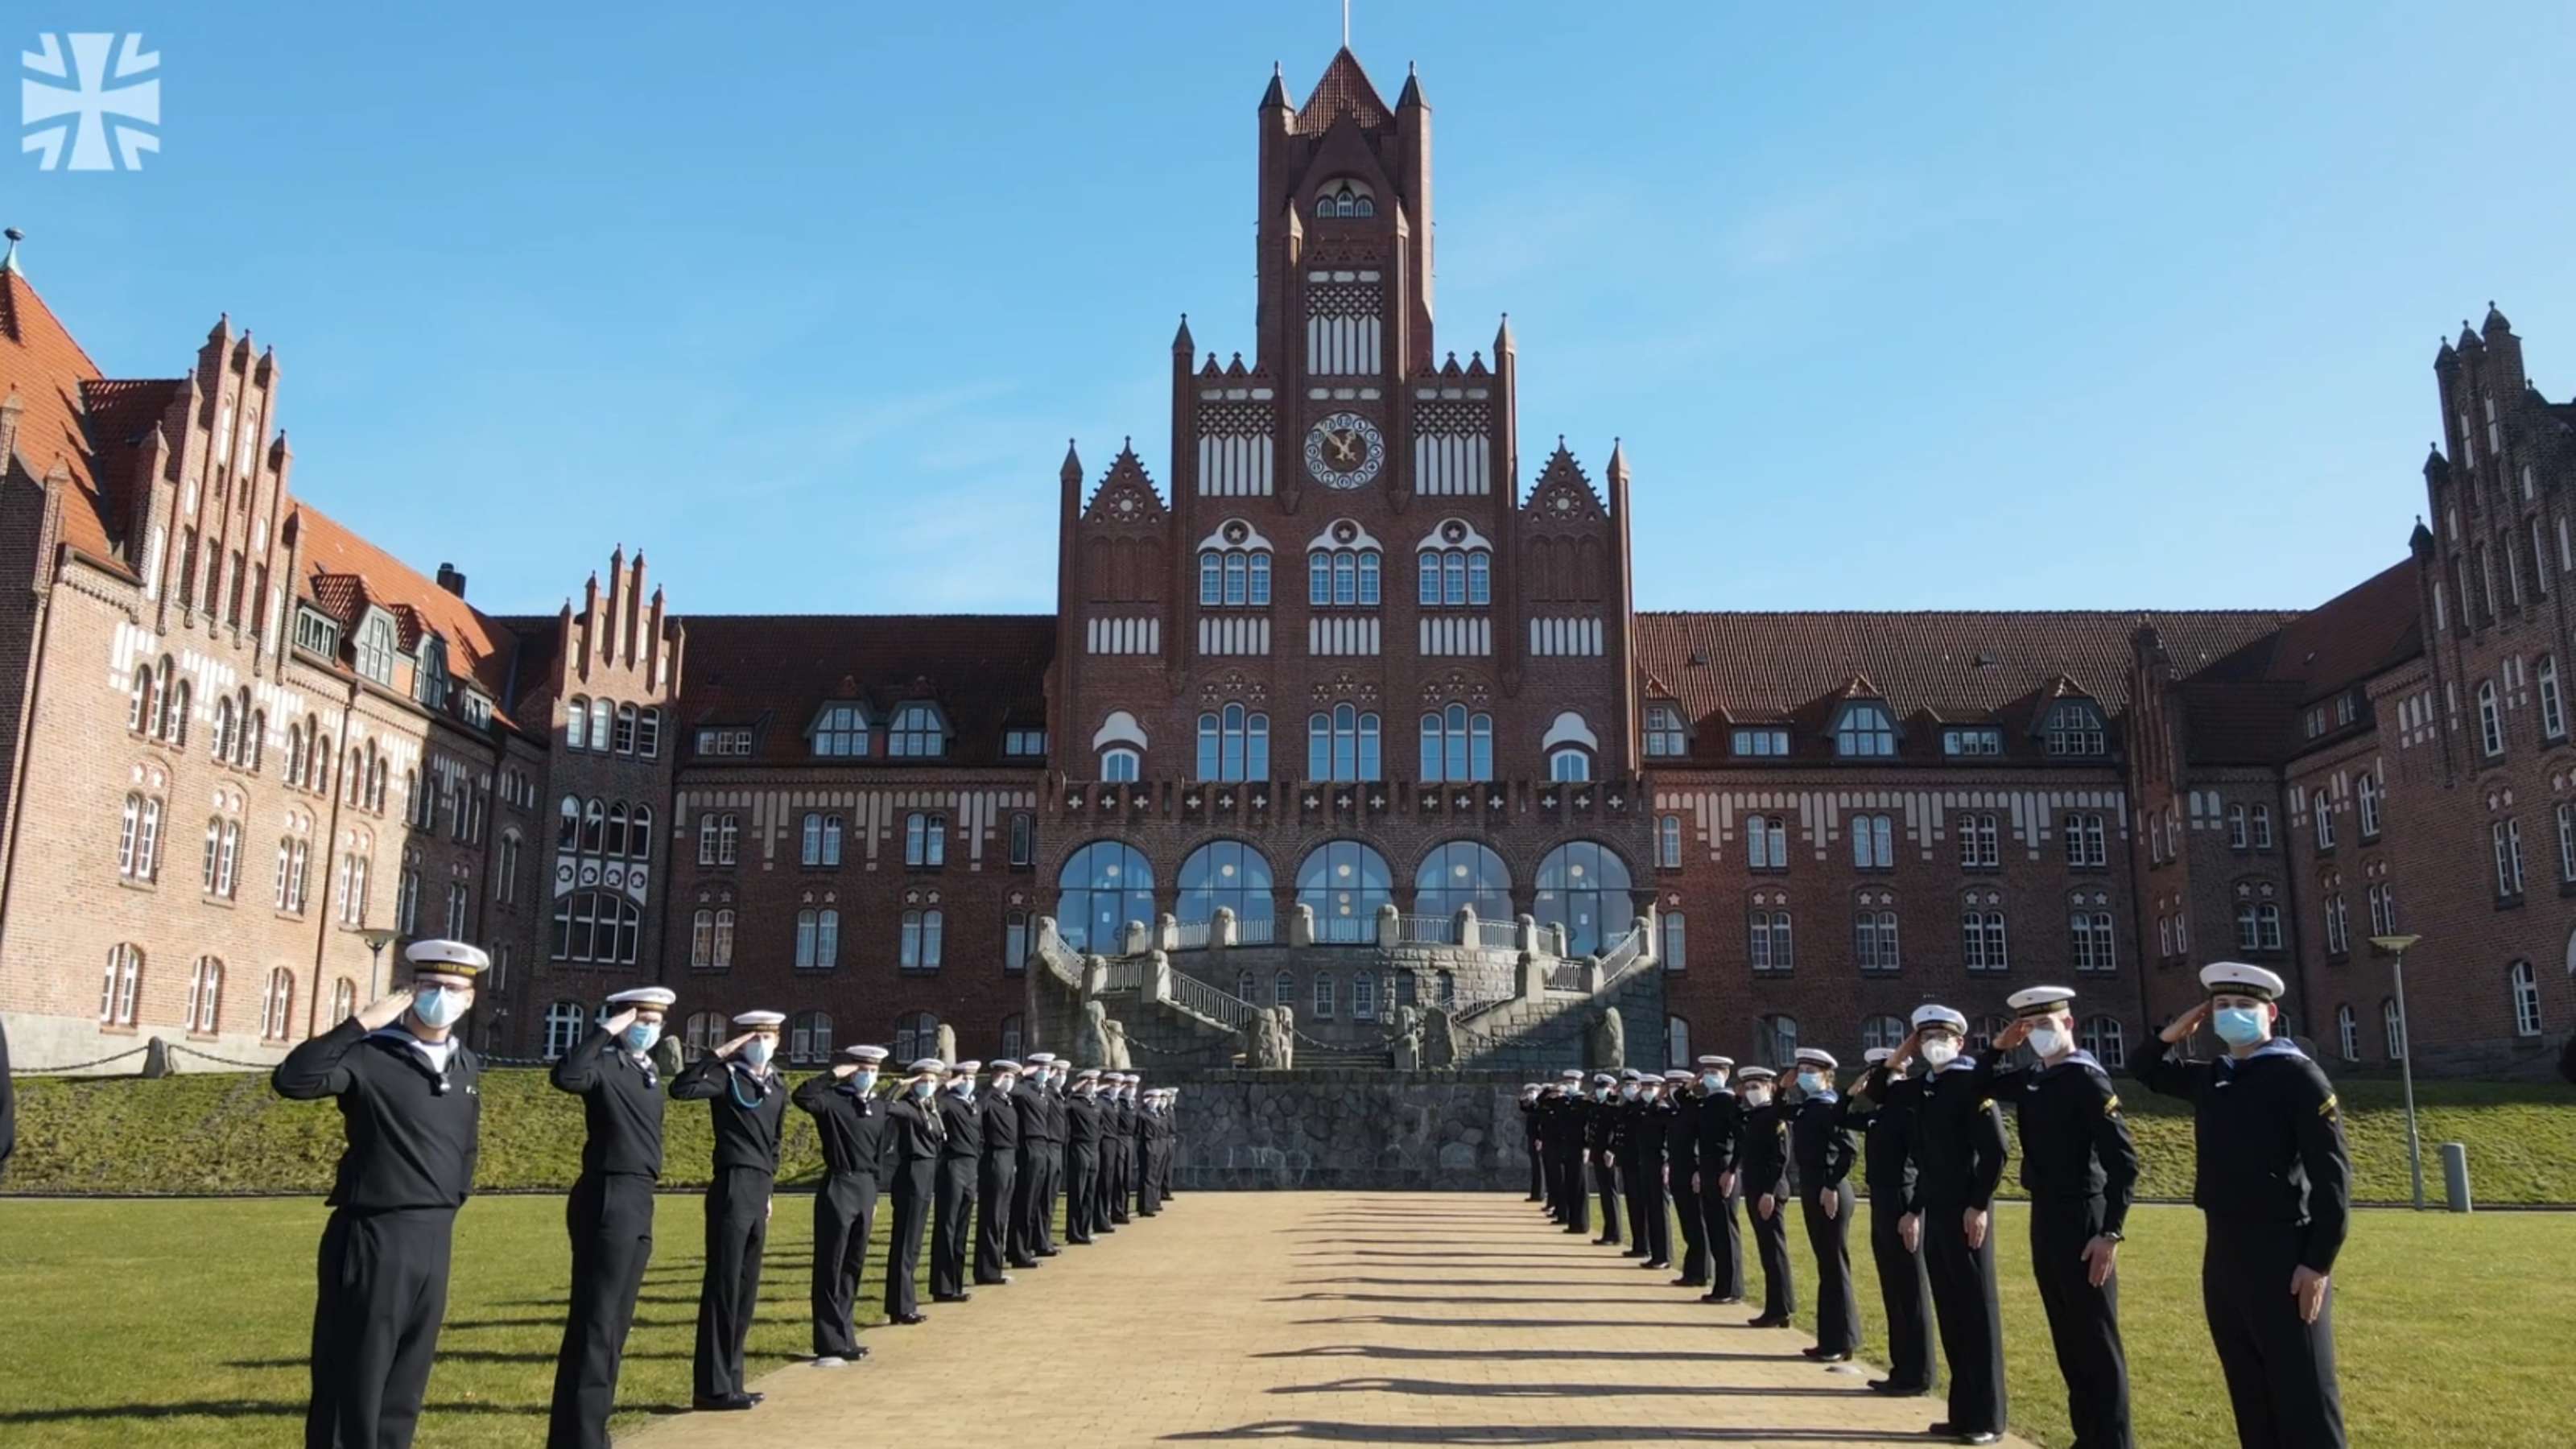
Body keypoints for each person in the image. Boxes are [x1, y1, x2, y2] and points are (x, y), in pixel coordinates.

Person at [270, 939, 488, 1449]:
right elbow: (294, 1080)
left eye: (454, 988)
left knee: (405, 1380)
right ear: (411, 992)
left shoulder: (465, 1064)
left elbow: (467, 1145)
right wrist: (359, 1025)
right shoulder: (371, 1054)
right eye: (431, 986)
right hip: (374, 1231)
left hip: (434, 1233)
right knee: (356, 1375)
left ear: (470, 999)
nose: (442, 996)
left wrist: (453, 1198)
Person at [2143, 963, 2352, 1449]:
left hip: (2283, 1249)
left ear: (2271, 1013)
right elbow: (2147, 1070)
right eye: (2222, 1006)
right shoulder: (2216, 1076)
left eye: (2244, 1006)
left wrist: (2317, 1261)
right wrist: (2176, 1030)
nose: (2232, 1014)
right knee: (2248, 1386)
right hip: (2224, 1247)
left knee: (2304, 1393)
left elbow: (2332, 1178)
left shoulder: (2299, 1076)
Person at [1977, 985, 2137, 1449]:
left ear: (2069, 1024)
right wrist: (1996, 1048)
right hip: (2045, 1213)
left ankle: (2113, 1440)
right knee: (2067, 1334)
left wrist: (2110, 1231)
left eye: (2047, 1025)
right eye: (2031, 1028)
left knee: (2096, 1338)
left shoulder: (2087, 1079)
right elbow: (1978, 1086)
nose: (2039, 1035)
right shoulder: (2033, 1079)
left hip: (2086, 1216)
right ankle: (2087, 1434)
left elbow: (2123, 1161)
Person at [547, 985, 675, 1448]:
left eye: (656, 1022)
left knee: (615, 1324)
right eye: (641, 1019)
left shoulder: (647, 1072)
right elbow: (567, 1075)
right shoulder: (603, 1064)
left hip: (640, 1195)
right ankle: (578, 1437)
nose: (649, 1029)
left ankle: (591, 1431)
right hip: (608, 1193)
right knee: (595, 1324)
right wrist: (605, 1030)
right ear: (623, 1021)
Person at [1885, 1005, 2010, 1445]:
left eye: (1943, 1035)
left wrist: (1979, 1205)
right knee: (1952, 1312)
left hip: (1966, 1210)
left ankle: (1988, 1417)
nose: (1934, 1043)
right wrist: (1902, 1053)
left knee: (1977, 1312)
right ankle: (1962, 1412)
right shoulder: (1925, 1088)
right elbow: (1882, 1091)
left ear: (1960, 1041)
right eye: (1926, 1036)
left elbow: (1996, 1151)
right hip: (1936, 1207)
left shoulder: (1971, 1083)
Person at [671, 1008, 786, 1412]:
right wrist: (718, 1055)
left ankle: (733, 1380)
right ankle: (711, 1386)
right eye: (754, 1037)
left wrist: (769, 1190)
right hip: (733, 1181)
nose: (762, 1044)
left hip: (758, 1188)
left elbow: (775, 1142)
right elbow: (682, 1088)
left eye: (768, 1036)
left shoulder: (776, 1084)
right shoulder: (725, 1078)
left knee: (745, 1289)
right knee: (723, 1286)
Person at [1839, 1045, 1931, 1400]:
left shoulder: (1910, 1112)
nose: (1877, 1081)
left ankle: (1918, 1372)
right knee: (1893, 1287)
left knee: (1910, 1289)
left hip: (1904, 1202)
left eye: (1884, 1073)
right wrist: (1849, 1094)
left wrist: (1916, 1211)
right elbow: (1839, 1117)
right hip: (1881, 1200)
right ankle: (1901, 1369)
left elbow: (1926, 1164)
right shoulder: (1880, 1115)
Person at [792, 1042, 891, 1368]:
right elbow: (802, 1096)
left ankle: (846, 1334)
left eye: (874, 1070)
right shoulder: (833, 1101)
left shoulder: (878, 1107)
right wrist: (832, 1074)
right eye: (863, 1069)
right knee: (830, 1265)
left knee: (853, 1264)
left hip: (864, 1186)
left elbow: (878, 1155)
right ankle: (828, 1341)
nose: (869, 1076)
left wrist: (874, 1194)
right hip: (839, 1182)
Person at [1790, 1048, 1859, 1362]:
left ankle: (1842, 1340)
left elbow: (1848, 1151)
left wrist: (1831, 1185)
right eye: (1801, 1068)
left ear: (1826, 1074)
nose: (1804, 1073)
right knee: (1825, 1264)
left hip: (1829, 1187)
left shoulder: (1830, 1106)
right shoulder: (1807, 1107)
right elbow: (1778, 1111)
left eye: (1810, 1069)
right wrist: (1782, 1087)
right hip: (1811, 1184)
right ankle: (1829, 1337)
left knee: (1834, 1263)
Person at [881, 1056, 945, 1324]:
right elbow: (883, 1105)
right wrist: (900, 1085)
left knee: (915, 1243)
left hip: (927, 1171)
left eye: (932, 1081)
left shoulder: (930, 1107)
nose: (929, 1085)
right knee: (905, 1242)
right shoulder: (907, 1107)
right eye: (924, 1081)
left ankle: (907, 1301)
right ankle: (900, 1306)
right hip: (912, 1172)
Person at [1736, 1063, 1797, 1328]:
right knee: (1766, 1250)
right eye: (1748, 1087)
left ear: (1770, 1087)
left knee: (1774, 1250)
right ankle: (1776, 1306)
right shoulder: (1753, 1115)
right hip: (1754, 1189)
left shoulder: (1775, 1115)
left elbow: (1780, 1158)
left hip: (1769, 1191)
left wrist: (1769, 1191)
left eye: (1756, 1086)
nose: (1752, 1091)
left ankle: (1780, 1308)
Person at [1694, 1055, 1745, 1306]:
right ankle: (1721, 1285)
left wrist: (1733, 1170)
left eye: (1715, 1071)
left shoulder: (1729, 1102)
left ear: (1726, 1073)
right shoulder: (1708, 1102)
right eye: (1707, 1071)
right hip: (1707, 1167)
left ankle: (1732, 1287)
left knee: (1725, 1229)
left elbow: (1740, 1139)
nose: (1710, 1076)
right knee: (1714, 1227)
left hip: (1723, 1168)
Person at [931, 1059, 983, 1301]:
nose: (969, 1082)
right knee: (947, 1226)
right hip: (952, 1164)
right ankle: (942, 1286)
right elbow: (932, 1104)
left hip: (971, 1165)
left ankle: (956, 1282)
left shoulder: (973, 1104)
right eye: (965, 1078)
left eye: (972, 1078)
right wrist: (948, 1086)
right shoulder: (949, 1103)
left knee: (962, 1227)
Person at [976, 1058, 1022, 1285]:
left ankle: (995, 1266)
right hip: (993, 1156)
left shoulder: (1007, 1102)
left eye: (1013, 1077)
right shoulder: (988, 1098)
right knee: (992, 1215)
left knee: (1002, 1215)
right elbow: (978, 1108)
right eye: (1006, 1076)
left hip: (1008, 1156)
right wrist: (991, 1086)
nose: (1010, 1081)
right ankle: (987, 1270)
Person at [1010, 1053, 1058, 1267]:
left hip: (1043, 1145)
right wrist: (1022, 1073)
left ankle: (1028, 1246)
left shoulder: (1043, 1092)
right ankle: (1018, 1251)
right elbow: (1009, 1088)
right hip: (1028, 1145)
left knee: (1036, 1201)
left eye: (1048, 1069)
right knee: (1025, 1200)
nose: (1045, 1072)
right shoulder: (1024, 1089)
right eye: (1041, 1068)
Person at [1664, 1069, 1708, 1287]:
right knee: (1687, 1224)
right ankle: (1692, 1271)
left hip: (1692, 1172)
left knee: (1695, 1223)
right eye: (1670, 1085)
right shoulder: (1677, 1110)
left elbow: (1702, 1143)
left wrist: (1699, 1170)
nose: (1674, 1090)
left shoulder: (1696, 1108)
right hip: (1678, 1170)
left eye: (1679, 1085)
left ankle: (1699, 1272)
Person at [1063, 1067, 1103, 1244]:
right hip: (1079, 1147)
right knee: (1077, 1191)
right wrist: (1073, 1089)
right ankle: (1074, 1232)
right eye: (1089, 1083)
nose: (1092, 1086)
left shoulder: (1095, 1104)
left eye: (1094, 1083)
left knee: (1090, 1191)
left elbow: (1100, 1126)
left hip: (1094, 1147)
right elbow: (1061, 1100)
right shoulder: (1074, 1102)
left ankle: (1085, 1229)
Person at [1549, 1069, 1591, 1232]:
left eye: (1573, 1082)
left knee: (1580, 1185)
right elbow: (1544, 1102)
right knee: (1570, 1185)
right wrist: (1557, 1087)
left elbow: (1588, 1125)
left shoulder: (1584, 1101)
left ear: (1580, 1083)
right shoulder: (1562, 1101)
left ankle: (1582, 1223)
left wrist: (1587, 1146)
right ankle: (1573, 1222)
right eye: (1567, 1082)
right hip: (1566, 1147)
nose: (1570, 1085)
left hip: (1579, 1147)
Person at [1587, 1071, 1624, 1246]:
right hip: (1598, 1154)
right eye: (1598, 1088)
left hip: (1607, 1155)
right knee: (1604, 1194)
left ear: (1612, 1089)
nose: (1600, 1091)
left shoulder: (1613, 1108)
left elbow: (1618, 1131)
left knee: (1610, 1193)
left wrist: (1612, 1150)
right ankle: (1608, 1232)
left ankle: (1615, 1233)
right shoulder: (1598, 1106)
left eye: (1604, 1088)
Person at [1517, 1083, 1546, 1200]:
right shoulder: (1533, 1105)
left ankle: (1539, 1193)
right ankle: (1535, 1193)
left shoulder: (1540, 1105)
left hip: (1538, 1139)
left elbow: (1542, 1124)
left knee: (1539, 1167)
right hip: (1532, 1137)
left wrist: (1540, 1138)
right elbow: (1523, 1107)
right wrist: (1523, 1097)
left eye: (1532, 1091)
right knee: (1535, 1166)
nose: (1530, 1094)